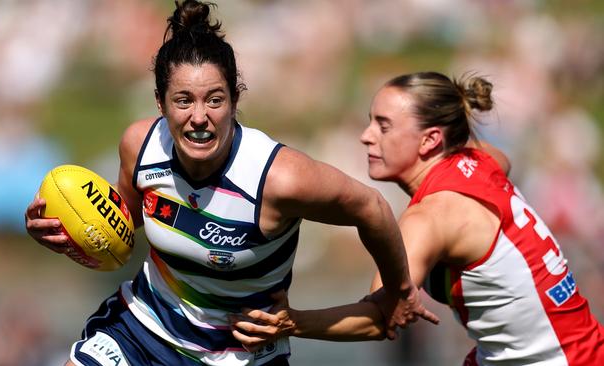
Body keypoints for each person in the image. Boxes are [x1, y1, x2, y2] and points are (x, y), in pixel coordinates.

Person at [24, 2, 439, 365]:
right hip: (142, 332)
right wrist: (68, 230)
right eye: (183, 100)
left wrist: (399, 288)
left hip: (239, 356)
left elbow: (372, 208)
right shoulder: (140, 145)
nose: (200, 116)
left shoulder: (279, 179)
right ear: (160, 102)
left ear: (235, 101)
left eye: (215, 100)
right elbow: (126, 221)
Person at [229, 71, 604, 365]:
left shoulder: (431, 218)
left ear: (430, 141)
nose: (365, 136)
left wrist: (293, 322)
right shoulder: (485, 161)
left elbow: (381, 317)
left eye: (383, 125)